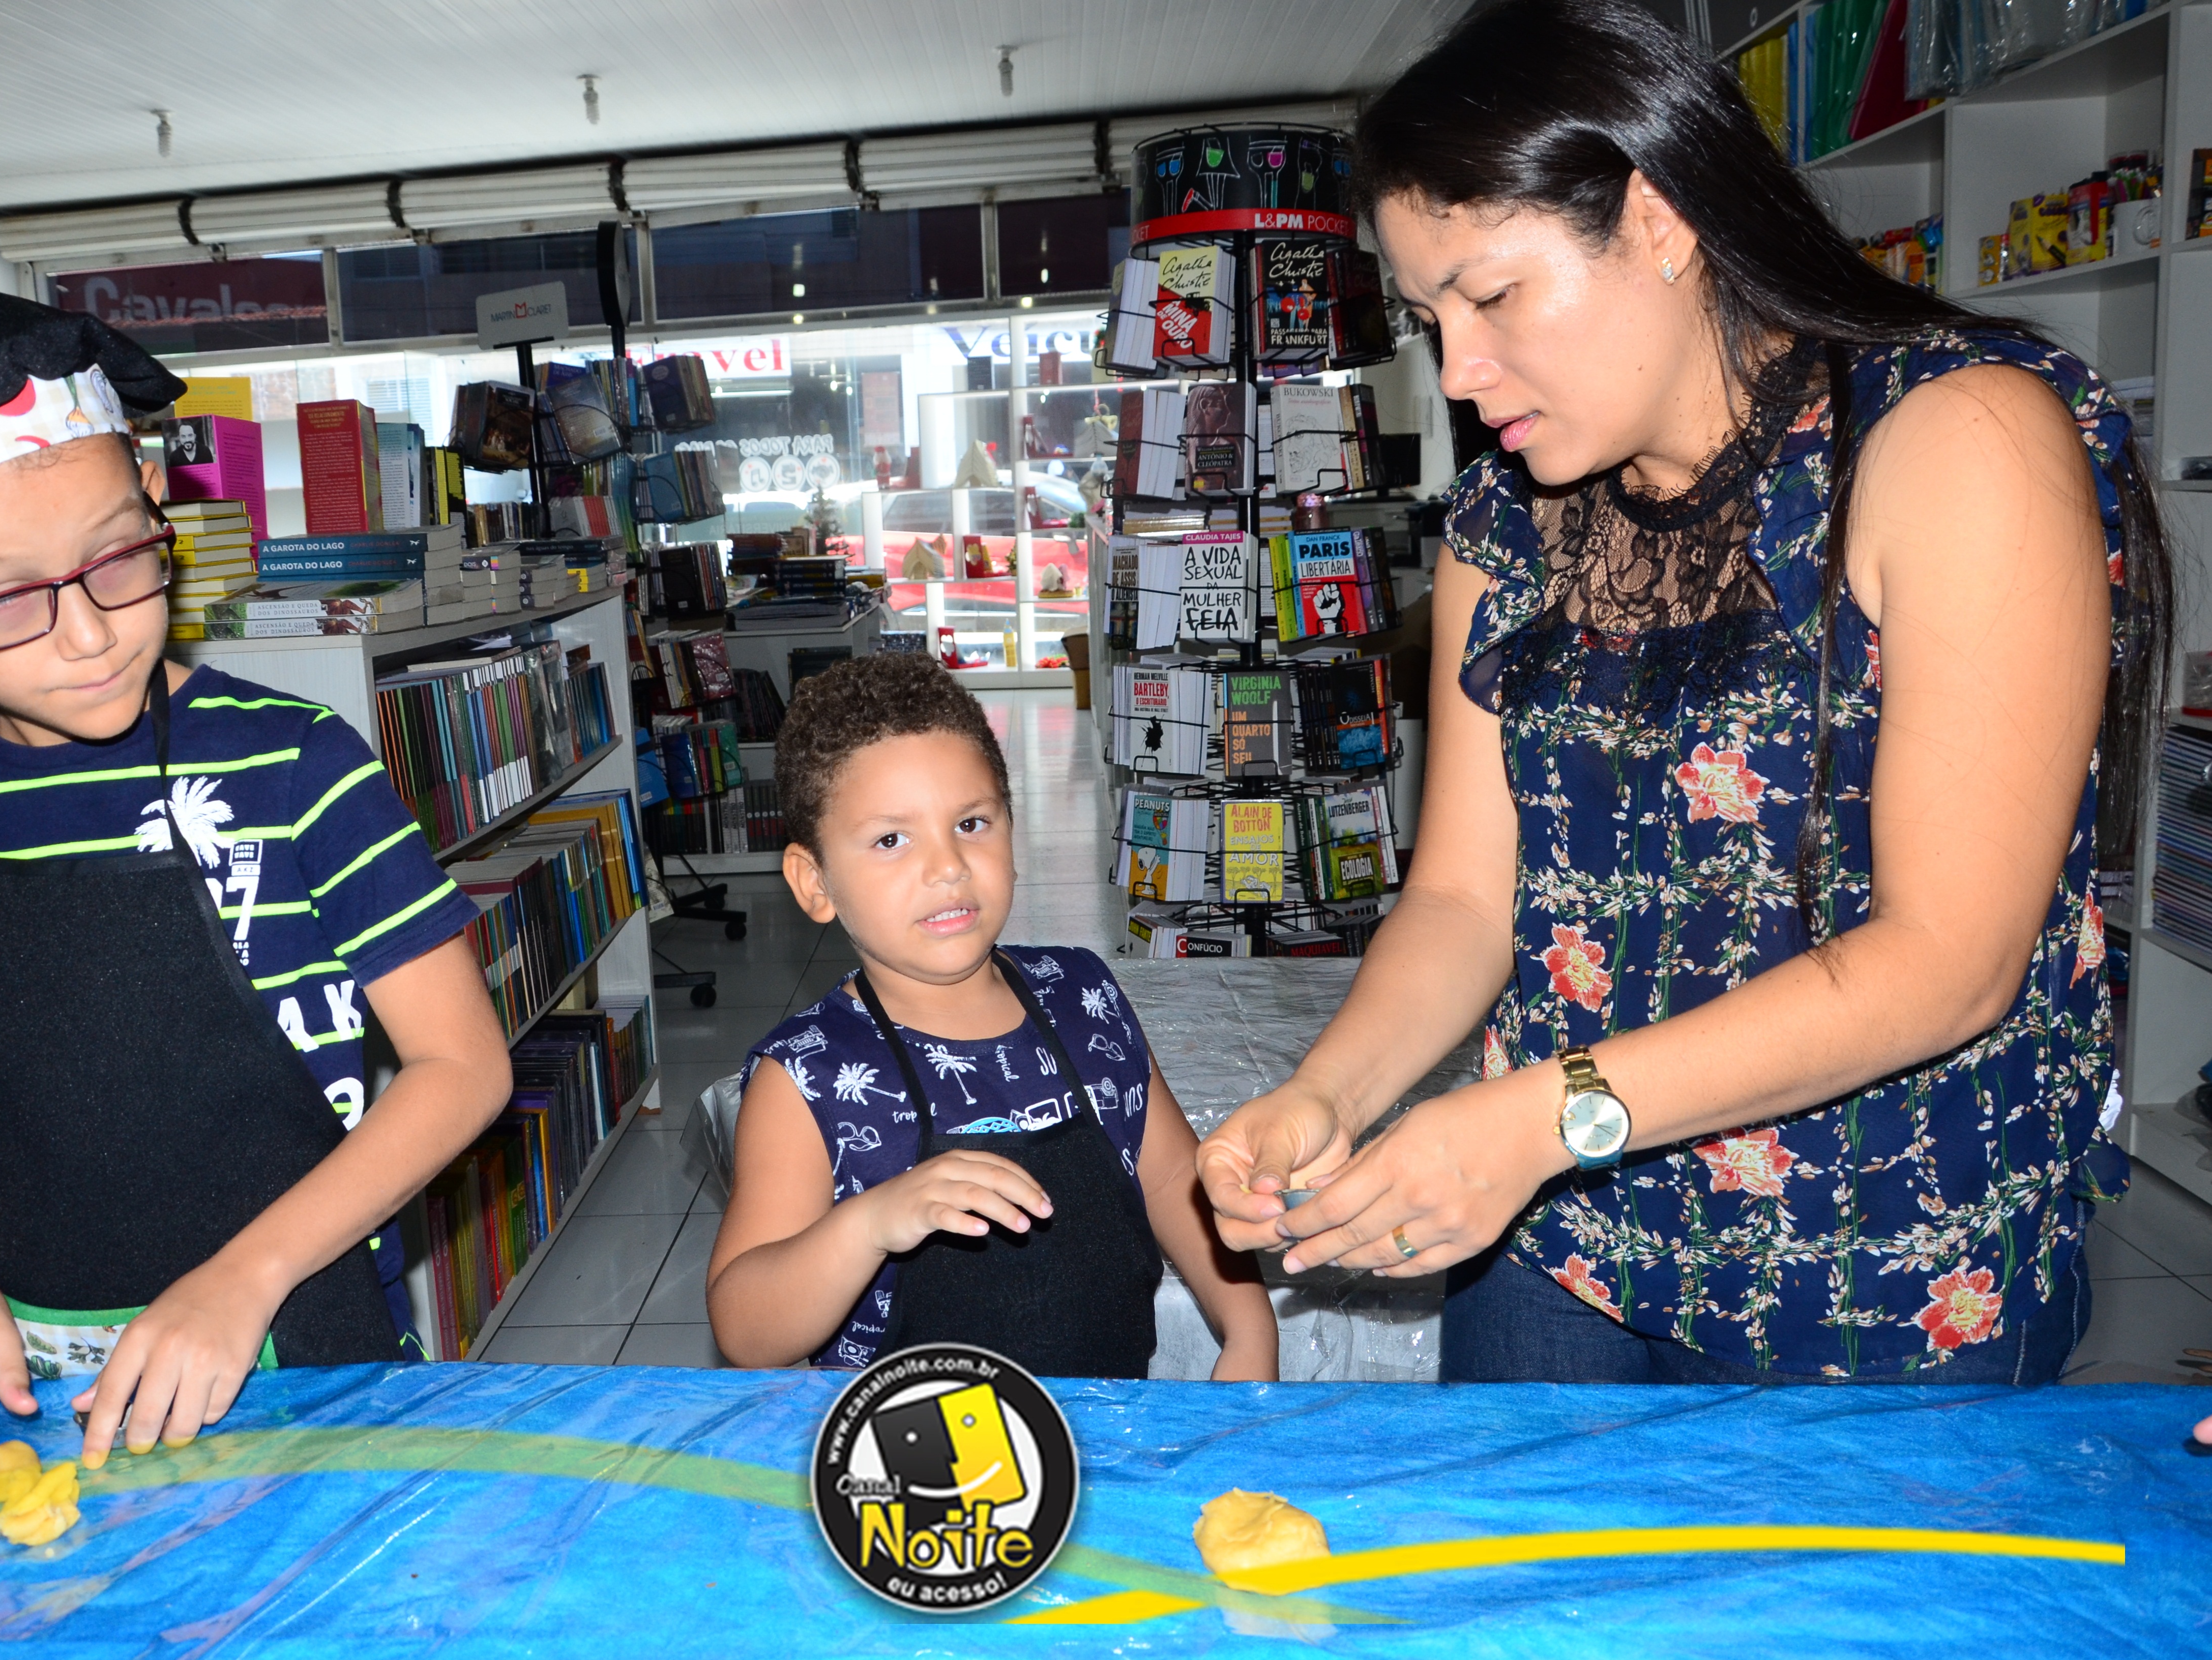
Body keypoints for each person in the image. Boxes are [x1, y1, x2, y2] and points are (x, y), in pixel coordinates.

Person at [1199, 0, 2169, 1386]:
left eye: (1493, 295)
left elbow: (1948, 961)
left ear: (1658, 222)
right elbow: (1466, 899)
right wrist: (1326, 1095)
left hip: (1880, 1254)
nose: (1461, 374)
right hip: (1565, 1234)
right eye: (1428, 318)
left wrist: (1538, 1120)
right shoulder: (1506, 522)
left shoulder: (1957, 440)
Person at [0, 291, 511, 1466]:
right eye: (2, 599)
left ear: (154, 503)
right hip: (24, 1373)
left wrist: (243, 1277)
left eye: (117, 558)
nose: (89, 633)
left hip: (293, 1330)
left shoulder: (294, 766)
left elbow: (461, 1067)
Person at [709, 653, 1276, 1379]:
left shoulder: (1082, 994)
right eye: (891, 840)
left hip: (1107, 1419)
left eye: (971, 823)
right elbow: (746, 1330)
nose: (947, 866)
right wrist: (871, 1223)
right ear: (814, 882)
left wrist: (1248, 1324)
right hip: (913, 1436)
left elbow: (1171, 1183)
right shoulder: (806, 1076)